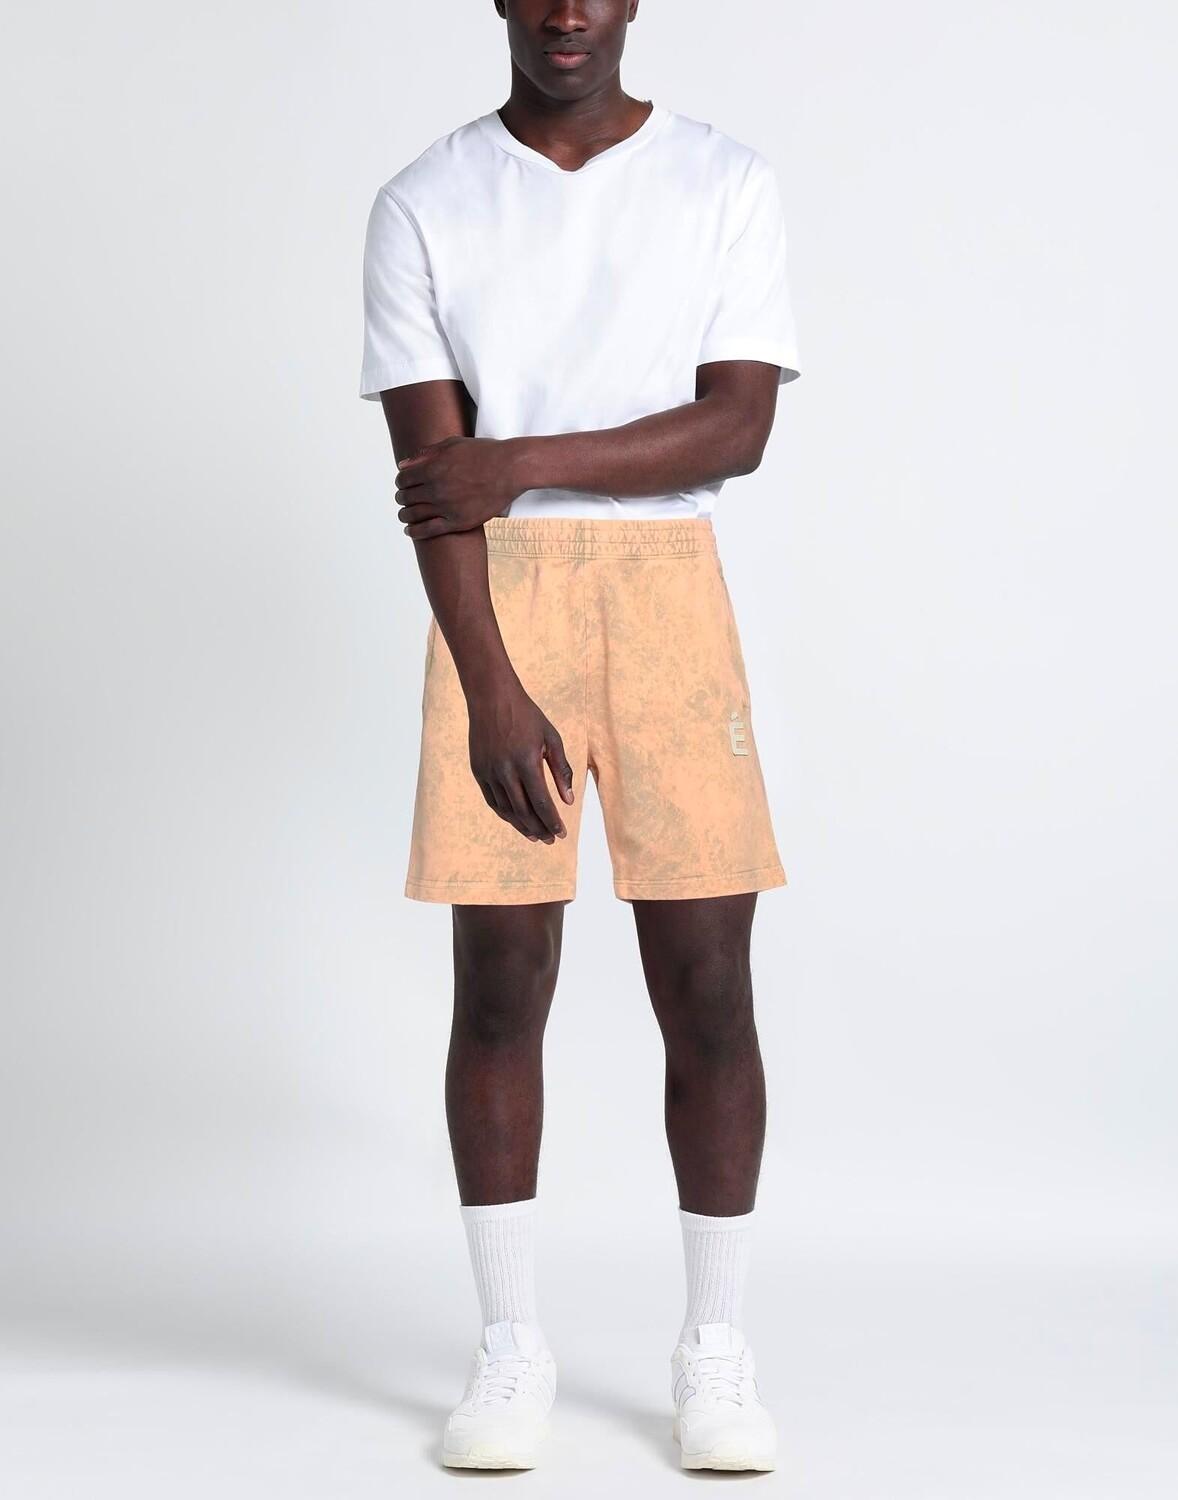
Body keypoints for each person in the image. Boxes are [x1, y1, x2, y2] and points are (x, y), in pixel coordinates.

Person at [360, 0, 800, 1474]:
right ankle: (509, 1349)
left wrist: (521, 458)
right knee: (501, 978)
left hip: (671, 587)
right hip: (498, 602)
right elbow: (434, 485)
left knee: (708, 981)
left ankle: (714, 1352)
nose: (566, 13)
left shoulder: (723, 179)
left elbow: (736, 429)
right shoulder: (425, 200)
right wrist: (488, 683)